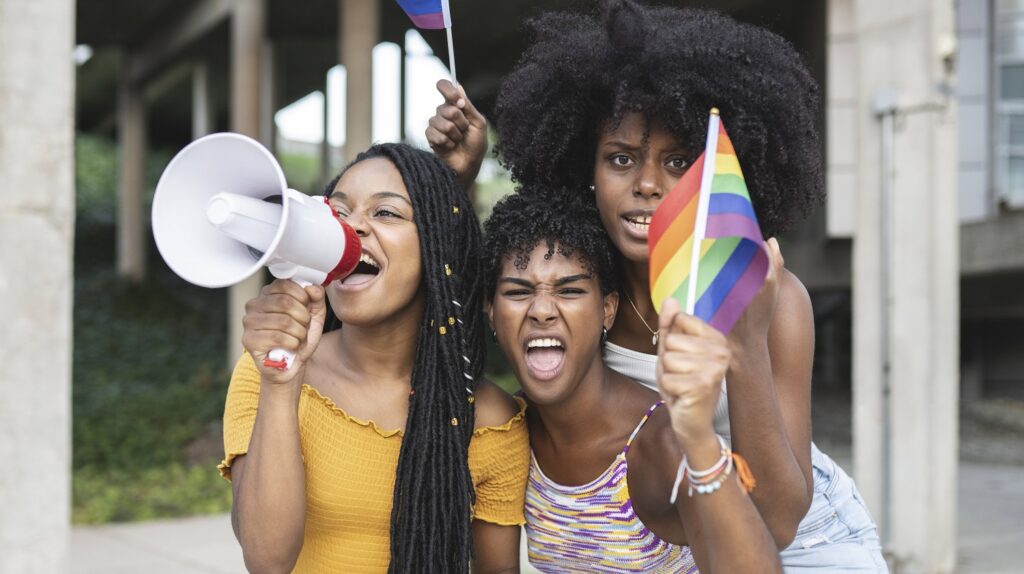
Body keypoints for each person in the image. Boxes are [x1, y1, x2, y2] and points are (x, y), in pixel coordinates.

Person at [428, 1, 886, 570]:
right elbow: (474, 298)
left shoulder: (769, 294)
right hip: (677, 540)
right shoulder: (581, 288)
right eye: (621, 159)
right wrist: (458, 182)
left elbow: (782, 520)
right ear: (584, 170)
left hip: (805, 537)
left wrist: (742, 342)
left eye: (677, 163)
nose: (647, 184)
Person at [218, 143, 529, 573]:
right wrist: (281, 385)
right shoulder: (266, 369)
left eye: (385, 213)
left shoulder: (490, 420)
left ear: (439, 247)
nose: (353, 228)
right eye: (338, 213)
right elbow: (266, 560)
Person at [484, 191, 781, 573]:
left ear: (607, 310)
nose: (541, 310)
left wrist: (700, 444)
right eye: (518, 292)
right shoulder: (506, 432)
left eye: (570, 290)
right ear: (491, 312)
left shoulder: (663, 443)